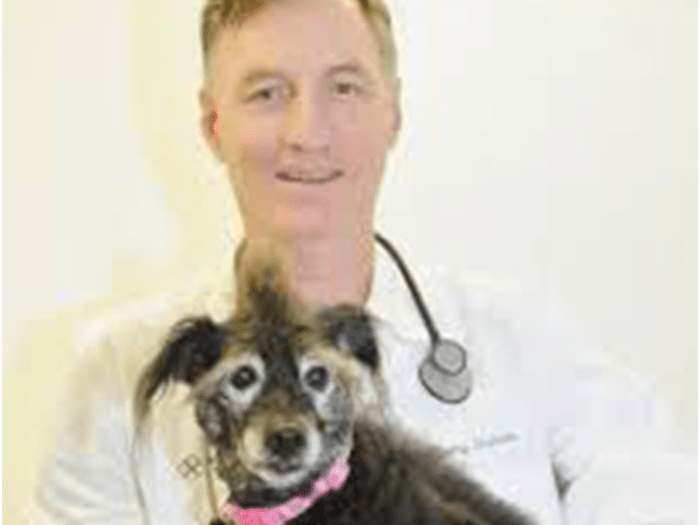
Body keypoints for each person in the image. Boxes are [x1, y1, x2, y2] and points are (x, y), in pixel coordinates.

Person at [30, 0, 695, 524]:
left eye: (345, 88)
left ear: (393, 114)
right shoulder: (113, 374)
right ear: (212, 125)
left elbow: (661, 496)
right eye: (266, 93)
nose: (307, 133)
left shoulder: (519, 335)